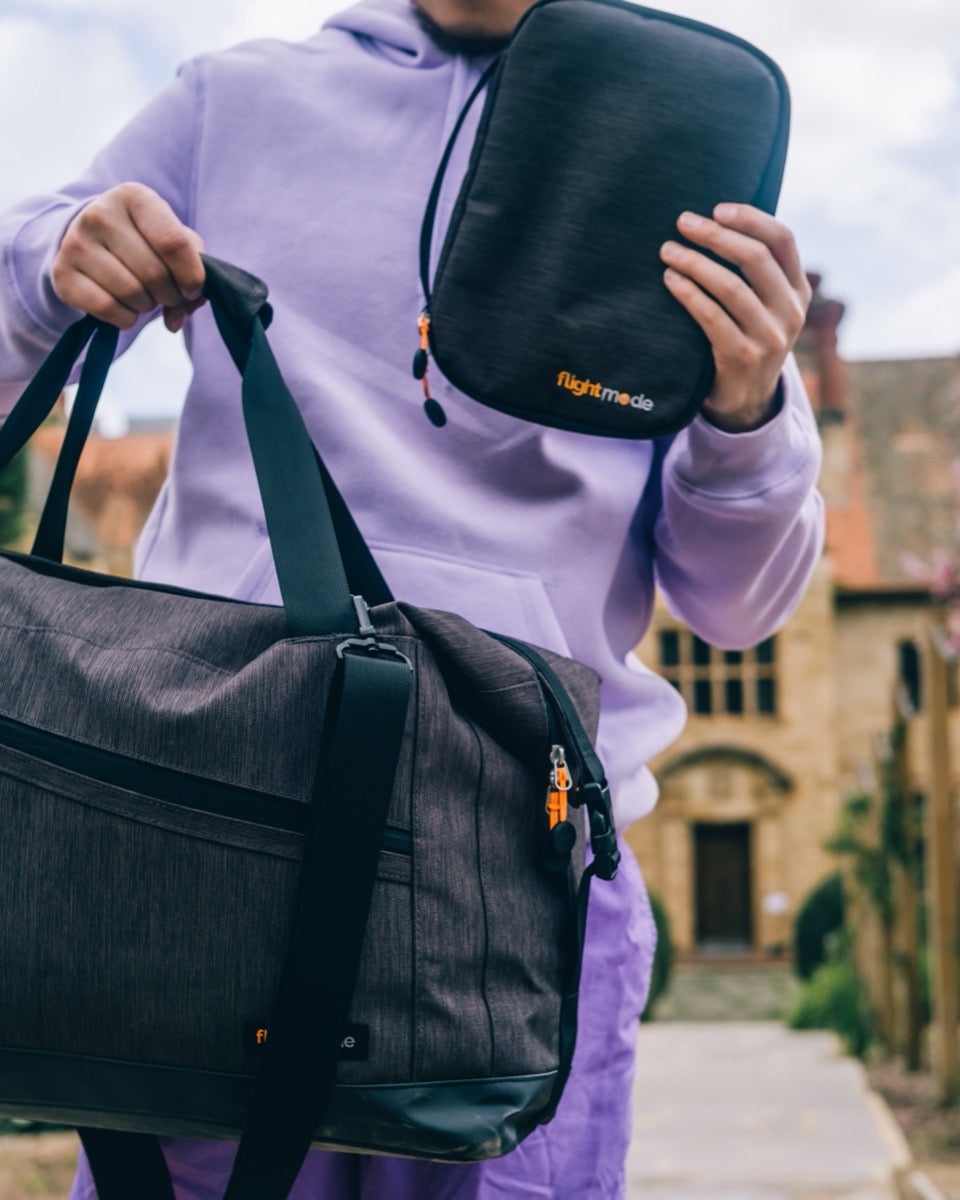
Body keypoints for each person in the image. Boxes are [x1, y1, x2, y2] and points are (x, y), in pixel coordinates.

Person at [0, 0, 824, 1195]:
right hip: (214, 823)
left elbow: (738, 608)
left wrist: (747, 418)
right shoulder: (235, 101)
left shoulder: (683, 136)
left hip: (529, 867)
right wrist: (53, 255)